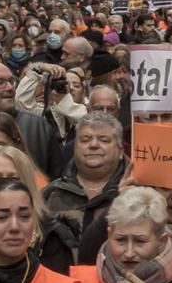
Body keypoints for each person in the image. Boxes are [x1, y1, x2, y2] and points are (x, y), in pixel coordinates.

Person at [41, 112, 125, 268]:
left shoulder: (134, 197)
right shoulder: (48, 195)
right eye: (85, 139)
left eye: (103, 139)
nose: (93, 145)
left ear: (120, 151)